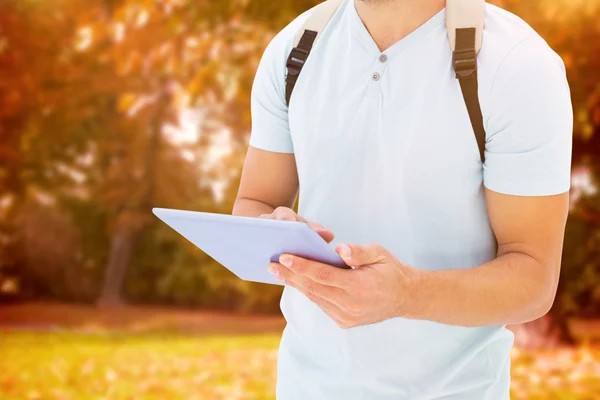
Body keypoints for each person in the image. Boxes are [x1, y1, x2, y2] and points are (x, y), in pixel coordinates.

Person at [233, 0, 573, 398]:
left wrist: (405, 295)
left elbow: (533, 280)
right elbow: (252, 204)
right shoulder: (296, 48)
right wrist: (275, 233)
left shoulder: (517, 64)